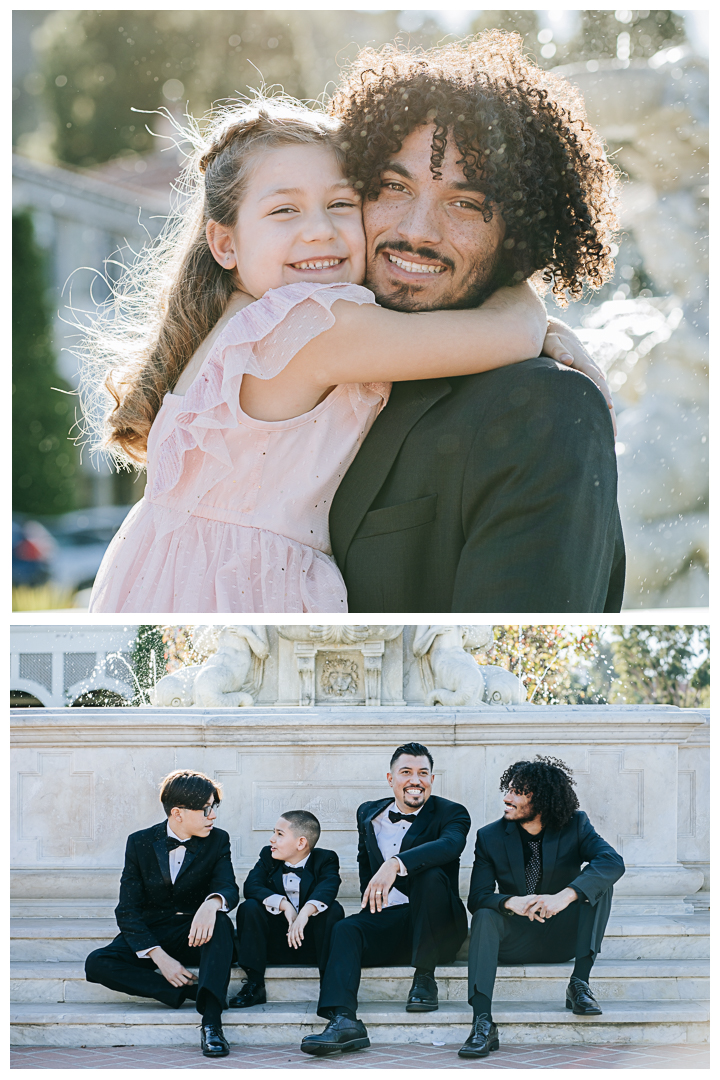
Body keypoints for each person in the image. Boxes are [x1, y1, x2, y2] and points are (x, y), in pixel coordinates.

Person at [82, 93, 610, 614]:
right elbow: (508, 335)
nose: (319, 230)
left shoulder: (236, 322)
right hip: (246, 591)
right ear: (225, 244)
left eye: (340, 204)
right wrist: (522, 286)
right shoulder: (309, 323)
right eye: (284, 210)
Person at [327, 32, 626, 612]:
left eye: (465, 203)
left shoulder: (546, 407)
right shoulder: (304, 350)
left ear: (517, 232)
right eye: (393, 187)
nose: (417, 230)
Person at [300, 742, 471, 1057]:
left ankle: (424, 978)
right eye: (406, 772)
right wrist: (372, 900)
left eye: (423, 773)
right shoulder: (368, 812)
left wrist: (395, 863)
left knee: (432, 876)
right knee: (345, 928)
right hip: (392, 922)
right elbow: (365, 861)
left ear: (432, 779)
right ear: (390, 778)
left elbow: (449, 846)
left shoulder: (452, 813)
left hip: (439, 926)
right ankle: (343, 1020)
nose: (415, 780)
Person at [459, 756, 625, 1059]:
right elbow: (478, 897)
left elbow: (612, 862)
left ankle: (579, 984)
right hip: (513, 941)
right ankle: (482, 1021)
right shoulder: (490, 836)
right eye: (508, 789)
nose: (507, 798)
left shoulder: (576, 825)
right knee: (484, 915)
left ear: (543, 800)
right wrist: (512, 903)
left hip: (561, 937)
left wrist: (565, 895)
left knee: (599, 886)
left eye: (518, 792)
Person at [84, 770, 239, 1058]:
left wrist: (212, 903)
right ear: (178, 813)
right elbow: (127, 909)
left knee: (220, 922)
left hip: (196, 933)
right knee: (97, 963)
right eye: (206, 809)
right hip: (154, 932)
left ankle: (211, 1024)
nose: (212, 816)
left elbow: (228, 887)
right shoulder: (139, 842)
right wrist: (158, 956)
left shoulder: (218, 840)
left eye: (213, 807)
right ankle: (186, 992)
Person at [229, 810, 344, 1007]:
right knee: (249, 907)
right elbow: (252, 886)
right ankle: (255, 984)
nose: (272, 839)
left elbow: (329, 886)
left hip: (312, 946)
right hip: (274, 944)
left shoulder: (326, 859)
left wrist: (304, 914)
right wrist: (285, 906)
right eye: (274, 833)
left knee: (333, 909)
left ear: (301, 843)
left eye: (279, 834)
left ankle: (330, 988)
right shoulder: (268, 855)